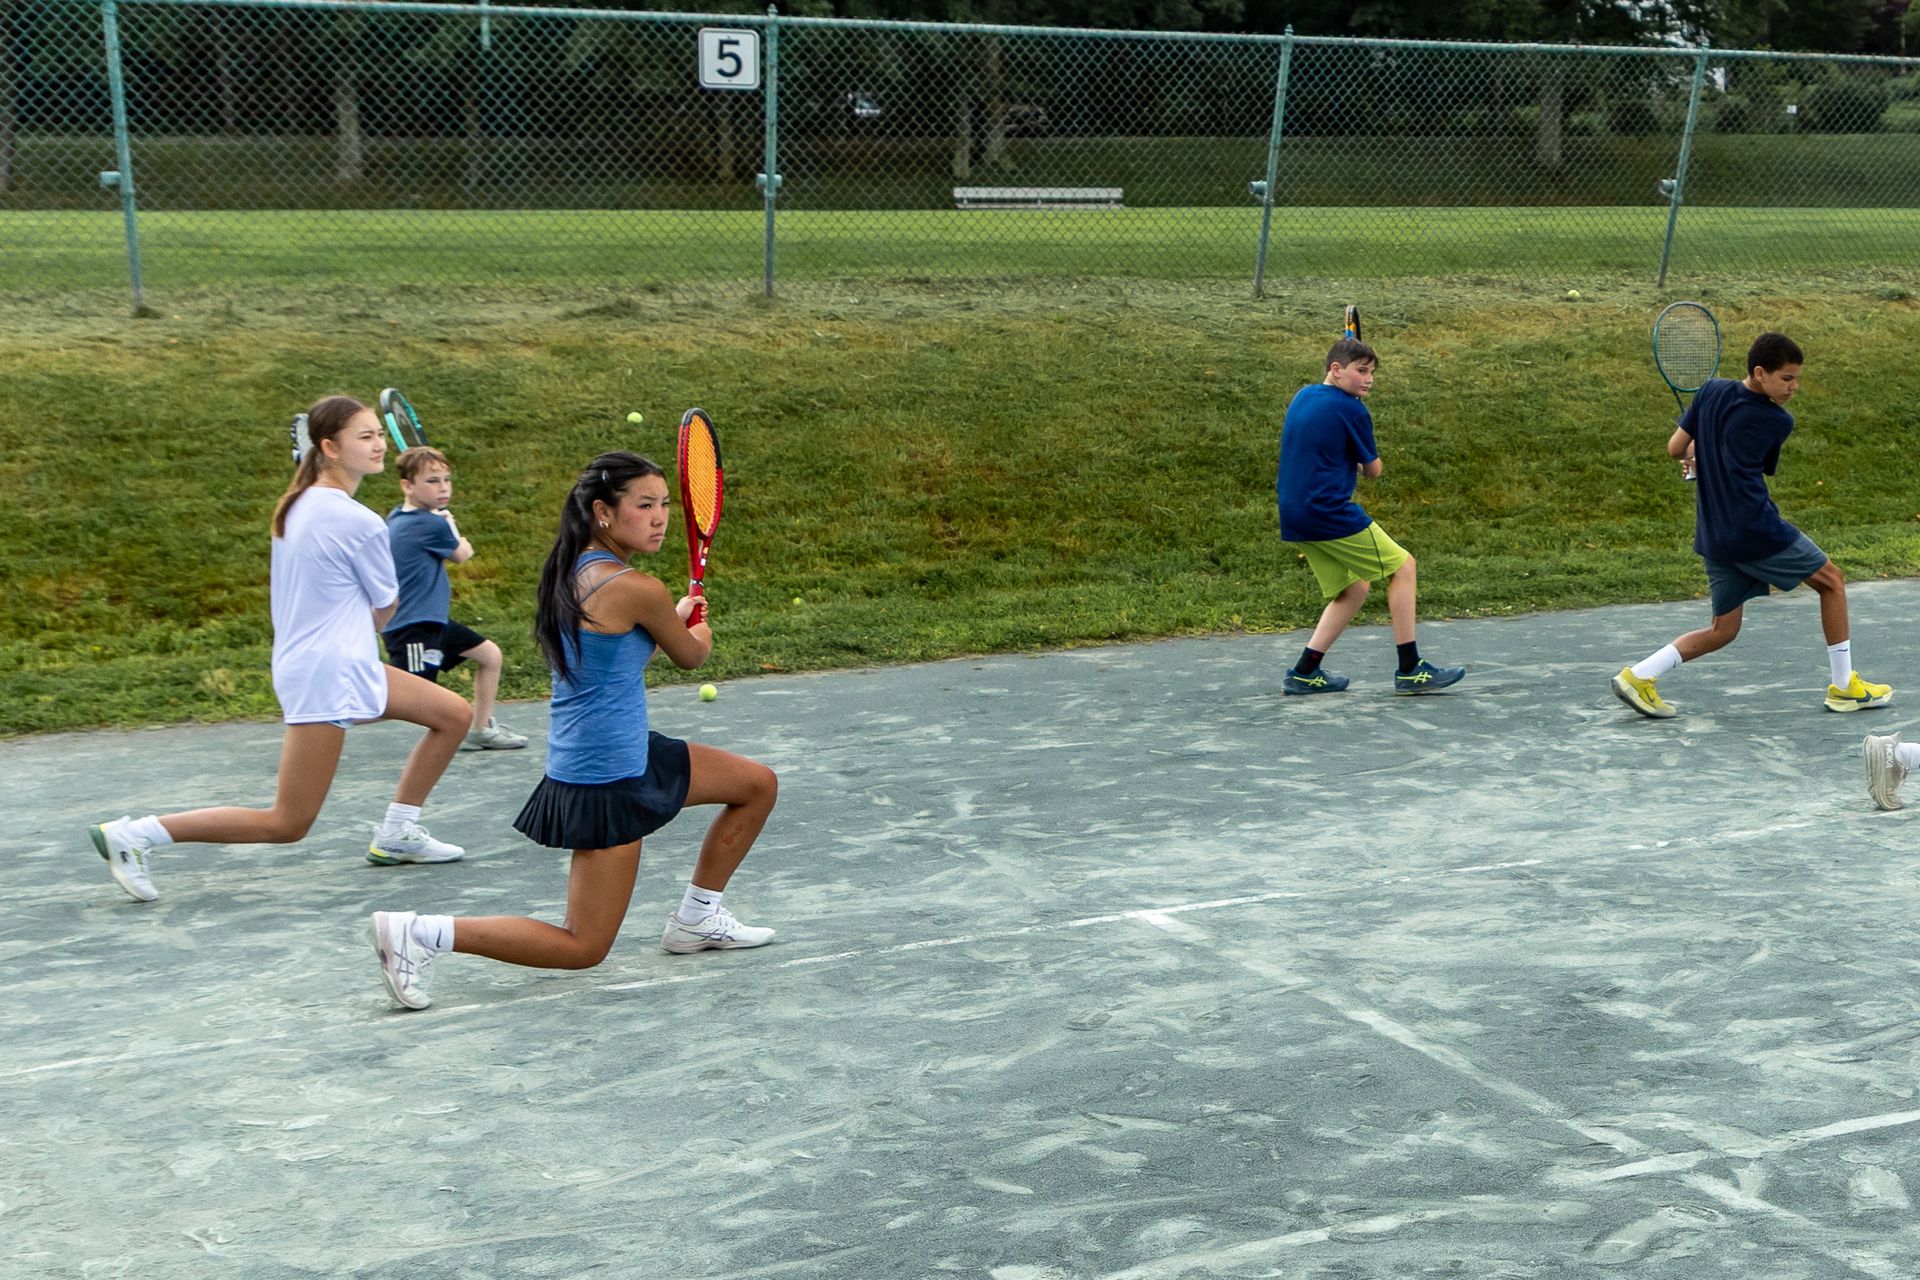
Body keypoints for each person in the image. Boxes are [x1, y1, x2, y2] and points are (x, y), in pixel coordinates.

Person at [370, 451, 779, 1010]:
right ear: (603, 512)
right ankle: (420, 933)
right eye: (644, 505)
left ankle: (697, 918)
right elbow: (692, 657)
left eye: (664, 504)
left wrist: (668, 617)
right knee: (582, 946)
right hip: (607, 771)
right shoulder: (637, 589)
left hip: (615, 748)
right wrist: (694, 625)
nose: (660, 517)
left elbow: (612, 657)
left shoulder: (575, 567)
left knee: (755, 785)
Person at [88, 396, 473, 902]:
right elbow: (385, 611)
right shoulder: (359, 521)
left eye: (379, 433)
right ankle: (135, 835)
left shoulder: (297, 505)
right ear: (329, 448)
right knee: (287, 822)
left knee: (452, 713)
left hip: (334, 664)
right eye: (365, 436)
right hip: (327, 672)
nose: (379, 443)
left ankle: (398, 832)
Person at [1611, 333, 1890, 719]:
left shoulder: (1709, 392)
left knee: (1722, 630)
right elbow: (1749, 466)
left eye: (1796, 378)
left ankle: (1639, 676)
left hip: (1715, 536)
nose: (1795, 387)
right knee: (1832, 581)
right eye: (1787, 379)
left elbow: (1677, 449)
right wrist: (1706, 458)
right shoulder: (1777, 420)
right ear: (1759, 374)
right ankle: (1844, 688)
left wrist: (1698, 457)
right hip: (1756, 530)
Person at [1276, 336, 1466, 696]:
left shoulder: (1304, 395)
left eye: (1372, 372)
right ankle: (1410, 668)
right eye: (1361, 371)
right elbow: (1373, 470)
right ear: (1336, 369)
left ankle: (1304, 672)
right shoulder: (1353, 410)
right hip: (1328, 510)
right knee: (1403, 566)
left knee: (1354, 587)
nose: (1369, 379)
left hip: (1295, 513)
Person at [382, 445, 528, 751]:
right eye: (433, 481)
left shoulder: (398, 516)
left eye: (446, 479)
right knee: (403, 699)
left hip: (433, 621)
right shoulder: (429, 523)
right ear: (407, 486)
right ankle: (332, 714)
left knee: (490, 656)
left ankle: (482, 729)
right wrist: (450, 524)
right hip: (413, 626)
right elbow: (462, 554)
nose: (443, 487)